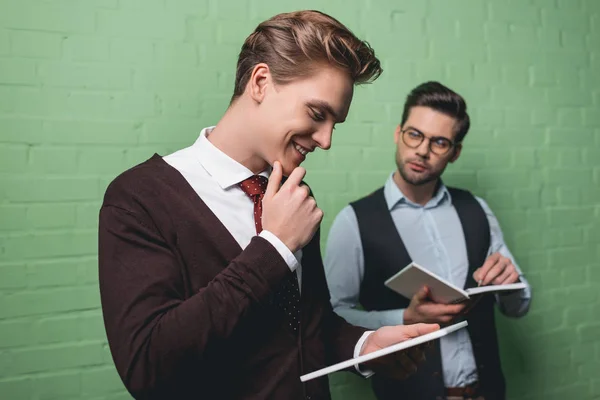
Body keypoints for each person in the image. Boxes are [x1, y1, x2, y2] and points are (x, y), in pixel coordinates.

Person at [98, 11, 439, 400]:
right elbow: (147, 366)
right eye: (317, 113)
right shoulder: (139, 198)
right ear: (261, 82)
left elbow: (306, 329)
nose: (326, 140)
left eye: (335, 124)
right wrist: (275, 246)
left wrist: (365, 346)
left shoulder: (293, 197)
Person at [324, 81, 532, 400]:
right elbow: (332, 317)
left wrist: (512, 282)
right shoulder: (353, 221)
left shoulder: (477, 210)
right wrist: (403, 319)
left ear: (455, 152)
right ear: (398, 133)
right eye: (414, 134)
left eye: (439, 142)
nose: (422, 150)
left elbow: (518, 307)